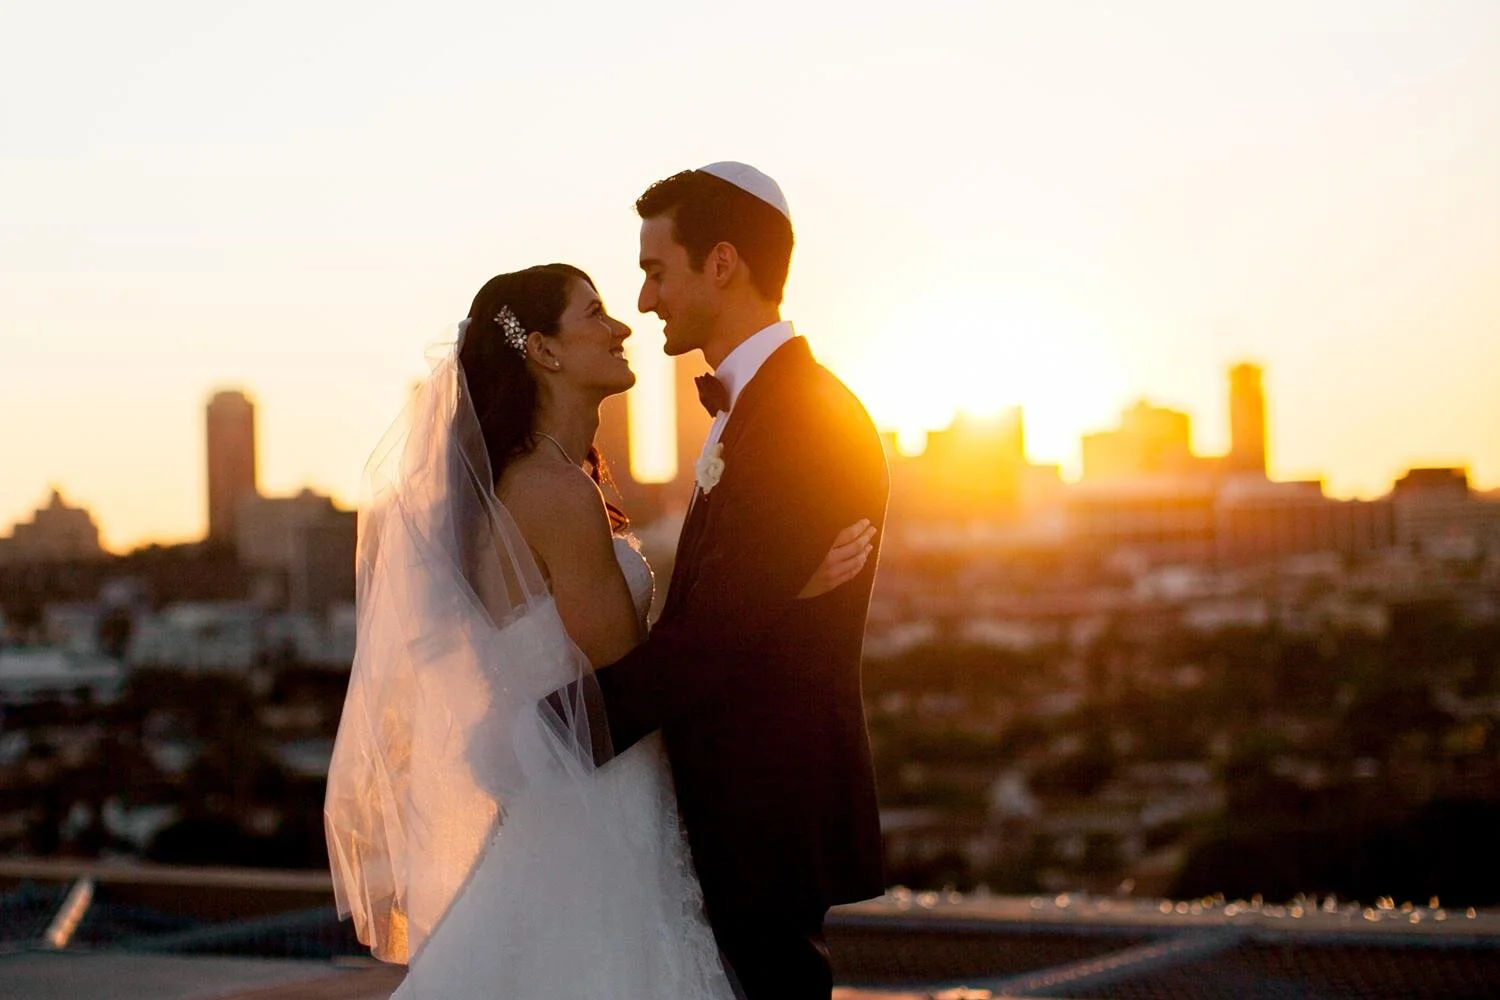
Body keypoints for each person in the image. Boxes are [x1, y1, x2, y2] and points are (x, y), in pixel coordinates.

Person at [324, 261, 873, 998]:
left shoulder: (525, 480)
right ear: (543, 351)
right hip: (608, 807)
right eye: (594, 312)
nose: (623, 327)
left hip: (569, 795)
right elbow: (641, 670)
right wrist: (776, 591)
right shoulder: (554, 492)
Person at [585, 163, 891, 999]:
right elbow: (736, 608)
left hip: (765, 813)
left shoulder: (799, 417)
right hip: (739, 810)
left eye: (656, 270)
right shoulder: (760, 407)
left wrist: (560, 732)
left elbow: (714, 634)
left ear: (722, 263)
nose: (644, 301)